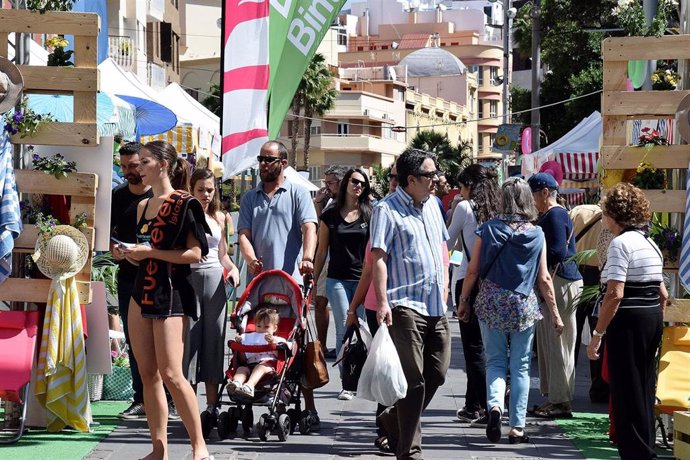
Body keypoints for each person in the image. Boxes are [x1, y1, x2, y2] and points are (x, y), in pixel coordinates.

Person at [120, 140, 212, 460]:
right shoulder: (144, 206)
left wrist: (149, 253)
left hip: (170, 292)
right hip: (140, 291)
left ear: (161, 165)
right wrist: (129, 254)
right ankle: (158, 449)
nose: (138, 167)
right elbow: (143, 255)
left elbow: (196, 253)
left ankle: (199, 447)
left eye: (144, 162)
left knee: (173, 373)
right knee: (148, 373)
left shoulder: (185, 203)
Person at [458, 177, 563, 445]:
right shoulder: (536, 233)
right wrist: (554, 312)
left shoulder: (488, 228)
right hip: (522, 304)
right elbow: (544, 278)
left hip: (491, 301)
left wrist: (463, 299)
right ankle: (517, 427)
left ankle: (494, 407)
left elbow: (472, 270)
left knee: (494, 361)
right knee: (521, 366)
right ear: (528, 199)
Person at [371, 148, 451, 459]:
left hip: (436, 304)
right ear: (411, 179)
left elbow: (441, 249)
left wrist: (444, 287)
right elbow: (378, 258)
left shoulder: (433, 206)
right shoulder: (386, 210)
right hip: (404, 304)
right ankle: (409, 450)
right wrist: (382, 303)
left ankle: (393, 418)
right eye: (430, 175)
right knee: (414, 382)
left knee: (439, 373)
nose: (437, 180)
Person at [237, 140, 320, 428]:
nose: (263, 164)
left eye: (269, 159)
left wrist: (307, 257)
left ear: (283, 163)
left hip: (291, 283)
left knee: (299, 343)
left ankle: (308, 407)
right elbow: (244, 234)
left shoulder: (297, 193)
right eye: (261, 159)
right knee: (255, 338)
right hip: (259, 284)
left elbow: (309, 227)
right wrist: (249, 257)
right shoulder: (250, 198)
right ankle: (251, 389)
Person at [587, 183, 666, 460]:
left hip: (629, 319)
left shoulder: (621, 244)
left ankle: (635, 453)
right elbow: (662, 292)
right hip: (650, 316)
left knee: (625, 390)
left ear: (612, 215)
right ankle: (645, 449)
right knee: (643, 387)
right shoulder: (650, 242)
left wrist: (597, 334)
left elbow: (615, 293)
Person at [446, 164, 500, 426]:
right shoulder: (498, 209)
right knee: (493, 348)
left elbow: (447, 242)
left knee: (474, 348)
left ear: (469, 185)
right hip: (495, 283)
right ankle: (474, 404)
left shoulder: (466, 208)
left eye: (462, 186)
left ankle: (484, 405)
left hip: (469, 283)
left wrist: (453, 263)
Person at [184, 168, 240, 421]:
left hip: (216, 280)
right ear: (191, 189)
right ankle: (189, 406)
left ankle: (212, 406)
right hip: (189, 280)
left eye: (209, 190)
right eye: (200, 190)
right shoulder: (184, 212)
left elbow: (223, 254)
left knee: (215, 340)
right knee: (190, 343)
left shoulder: (220, 217)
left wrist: (234, 268)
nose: (205, 195)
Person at [314, 168, 371, 400]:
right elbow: (321, 251)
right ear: (346, 183)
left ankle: (359, 375)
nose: (358, 186)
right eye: (355, 181)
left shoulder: (370, 213)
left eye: (363, 183)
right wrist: (314, 279)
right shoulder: (330, 215)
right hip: (336, 279)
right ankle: (346, 382)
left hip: (362, 280)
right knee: (343, 327)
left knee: (361, 329)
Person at [528, 172, 583, 418]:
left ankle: (560, 402)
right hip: (563, 281)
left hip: (561, 282)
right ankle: (555, 398)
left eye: (531, 196)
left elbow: (559, 251)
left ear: (544, 193)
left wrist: (538, 267)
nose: (530, 202)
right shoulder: (555, 214)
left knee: (559, 342)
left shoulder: (554, 215)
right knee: (554, 343)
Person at [110, 141, 153, 420]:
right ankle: (141, 398)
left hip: (159, 278)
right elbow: (108, 233)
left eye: (134, 166)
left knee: (161, 343)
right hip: (128, 278)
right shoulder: (117, 196)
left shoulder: (161, 197)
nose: (128, 172)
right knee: (135, 340)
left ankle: (167, 398)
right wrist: (114, 250)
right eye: (124, 167)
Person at [312, 165, 347, 358]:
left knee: (340, 307)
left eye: (330, 182)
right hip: (326, 257)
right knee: (320, 301)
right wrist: (318, 203)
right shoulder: (331, 201)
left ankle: (343, 348)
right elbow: (322, 226)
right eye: (325, 182)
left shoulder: (346, 201)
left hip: (339, 258)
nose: (326, 186)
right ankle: (322, 344)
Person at [228, 307, 287, 398]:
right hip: (250, 364)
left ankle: (249, 386)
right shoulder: (248, 337)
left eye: (266, 327)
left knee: (260, 367)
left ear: (274, 328)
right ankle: (236, 384)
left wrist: (272, 343)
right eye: (259, 326)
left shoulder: (278, 339)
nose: (262, 329)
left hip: (268, 365)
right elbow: (243, 358)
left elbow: (281, 356)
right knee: (241, 369)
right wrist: (240, 344)